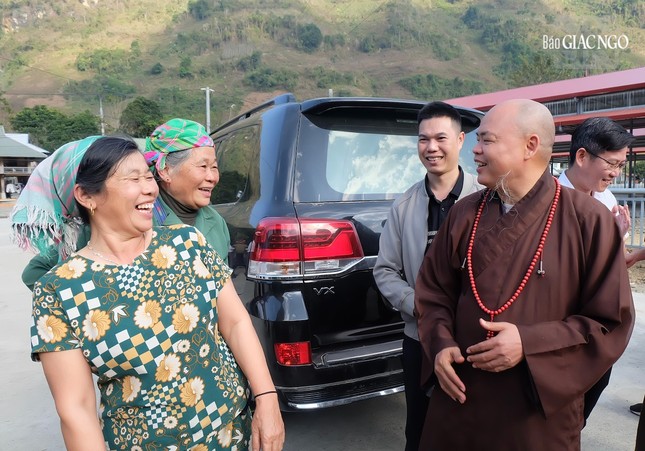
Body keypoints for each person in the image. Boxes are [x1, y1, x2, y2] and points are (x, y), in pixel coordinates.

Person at [13, 136, 284, 450]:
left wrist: (267, 399)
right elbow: (77, 410)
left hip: (233, 434)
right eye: (133, 179)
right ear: (87, 196)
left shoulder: (187, 243)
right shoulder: (57, 291)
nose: (150, 189)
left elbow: (235, 324)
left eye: (148, 176)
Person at [414, 99, 634, 450]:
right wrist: (440, 345)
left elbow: (610, 322)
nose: (475, 150)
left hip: (533, 411)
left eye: (487, 140)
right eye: (478, 140)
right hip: (459, 396)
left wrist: (529, 344)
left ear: (530, 146)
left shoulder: (587, 220)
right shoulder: (464, 213)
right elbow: (433, 291)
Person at [373, 101, 482, 451]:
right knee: (419, 430)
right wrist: (417, 304)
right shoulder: (404, 206)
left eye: (440, 138)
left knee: (472, 428)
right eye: (423, 139)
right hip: (419, 338)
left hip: (474, 340)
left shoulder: (485, 198)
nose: (431, 147)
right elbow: (385, 269)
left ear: (461, 140)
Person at [20, 118, 230, 291]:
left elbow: (224, 296)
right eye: (203, 166)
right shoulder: (127, 217)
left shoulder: (215, 222)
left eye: (214, 167)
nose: (212, 177)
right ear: (165, 169)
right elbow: (35, 273)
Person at [558, 116, 635, 422]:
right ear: (581, 156)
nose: (616, 173)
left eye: (621, 165)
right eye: (612, 163)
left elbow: (620, 262)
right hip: (559, 321)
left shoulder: (606, 199)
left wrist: (617, 240)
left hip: (595, 324)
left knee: (590, 392)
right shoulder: (546, 197)